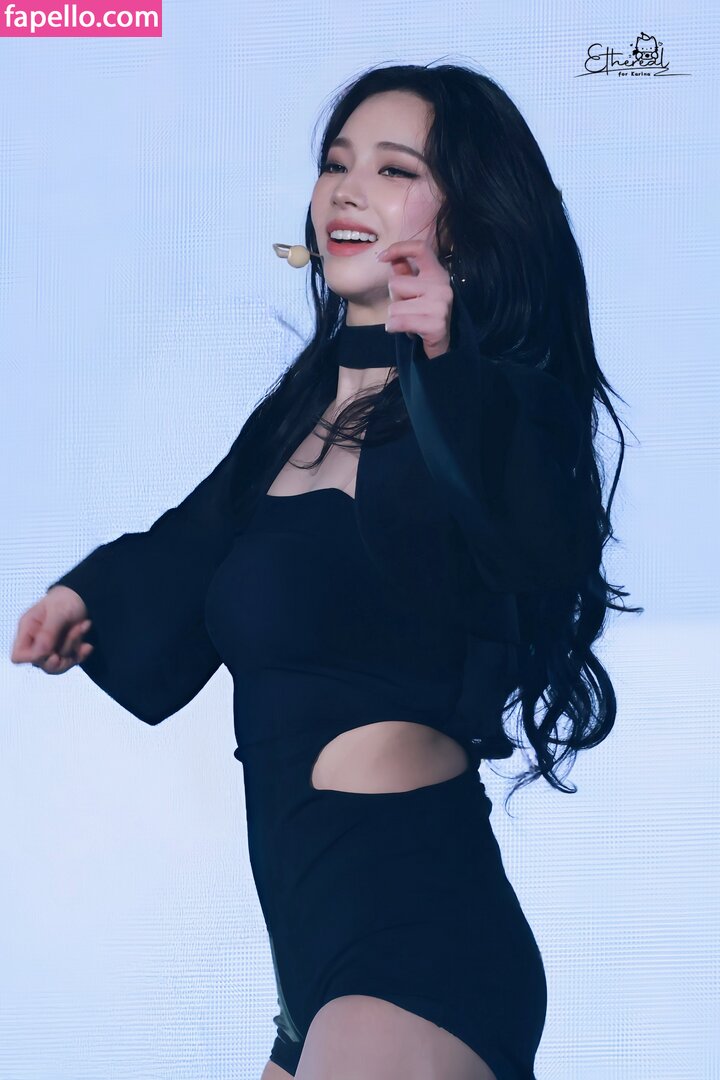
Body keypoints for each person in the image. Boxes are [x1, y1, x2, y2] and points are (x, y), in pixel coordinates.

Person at [11, 62, 640, 1080]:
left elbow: (528, 537)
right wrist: (82, 598)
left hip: (419, 940)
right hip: (310, 972)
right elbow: (190, 545)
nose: (347, 191)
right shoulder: (298, 412)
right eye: (336, 163)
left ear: (468, 222)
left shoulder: (505, 404)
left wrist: (448, 360)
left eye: (394, 170)